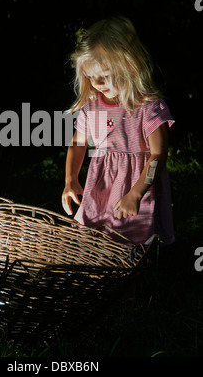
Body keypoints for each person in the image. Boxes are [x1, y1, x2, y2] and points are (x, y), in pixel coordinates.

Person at [62, 15, 175, 245]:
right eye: (91, 77)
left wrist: (136, 193)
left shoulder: (148, 108)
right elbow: (78, 143)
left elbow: (158, 154)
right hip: (102, 183)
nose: (97, 83)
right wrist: (70, 178)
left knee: (131, 240)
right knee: (91, 238)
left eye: (104, 76)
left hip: (138, 183)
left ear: (129, 66)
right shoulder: (92, 105)